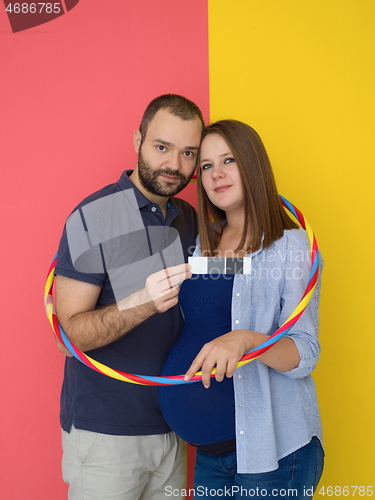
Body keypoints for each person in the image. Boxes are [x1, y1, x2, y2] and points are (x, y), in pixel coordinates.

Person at [159, 120, 324, 499]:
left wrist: (248, 340)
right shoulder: (205, 244)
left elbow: (306, 353)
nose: (216, 174)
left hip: (271, 455)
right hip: (211, 456)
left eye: (229, 160)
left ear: (252, 164)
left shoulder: (291, 246)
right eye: (205, 165)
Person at [54, 94, 204, 500]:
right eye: (162, 147)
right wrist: (143, 301)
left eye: (188, 153)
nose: (174, 164)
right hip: (106, 434)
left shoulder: (190, 219)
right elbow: (69, 336)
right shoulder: (94, 216)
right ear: (137, 141)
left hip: (173, 428)